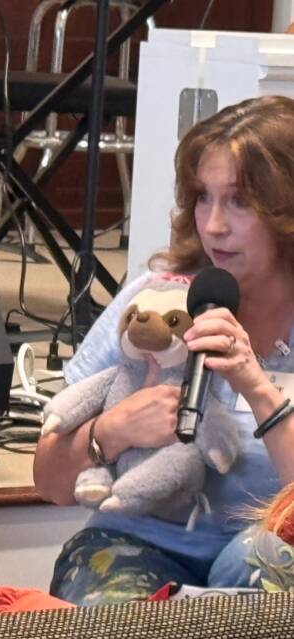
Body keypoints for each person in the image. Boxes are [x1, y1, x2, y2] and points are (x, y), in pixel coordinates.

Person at [35, 95, 294, 606]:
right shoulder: (157, 299)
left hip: (261, 554)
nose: (213, 224)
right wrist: (110, 431)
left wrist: (258, 389)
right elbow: (47, 480)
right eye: (202, 197)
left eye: (239, 202)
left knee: (266, 560)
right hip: (132, 542)